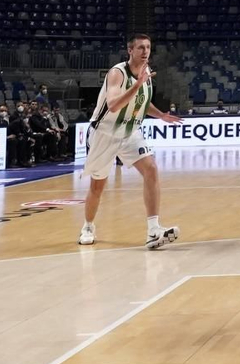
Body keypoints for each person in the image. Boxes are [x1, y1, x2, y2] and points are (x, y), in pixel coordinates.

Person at [78, 33, 182, 249]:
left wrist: (161, 115)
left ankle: (154, 230)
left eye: (148, 47)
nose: (145, 52)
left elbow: (141, 103)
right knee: (98, 186)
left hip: (129, 131)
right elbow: (114, 104)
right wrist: (136, 85)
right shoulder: (117, 73)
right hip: (104, 133)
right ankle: (88, 226)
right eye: (140, 48)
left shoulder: (145, 74)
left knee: (151, 169)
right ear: (130, 50)